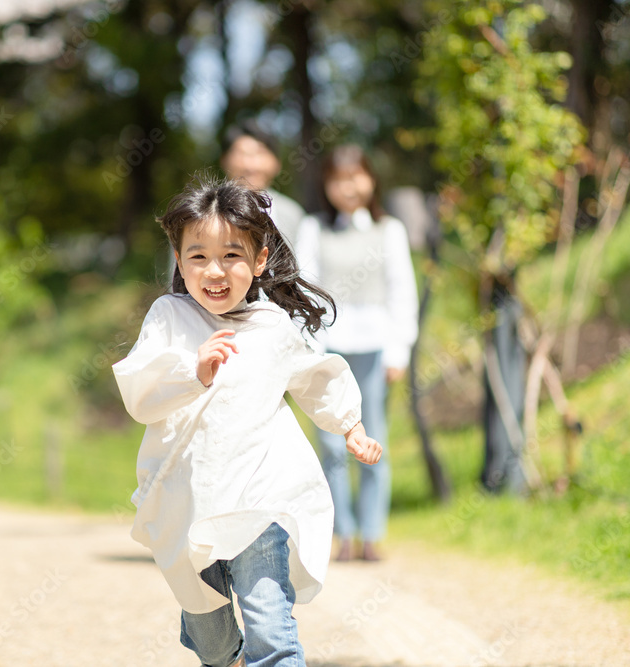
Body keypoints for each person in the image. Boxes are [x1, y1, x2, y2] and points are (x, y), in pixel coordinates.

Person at [113, 177, 382, 667]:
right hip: (187, 504)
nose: (215, 271)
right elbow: (140, 391)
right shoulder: (168, 317)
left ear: (259, 262)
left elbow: (314, 376)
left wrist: (351, 426)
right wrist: (192, 371)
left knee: (272, 633)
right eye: (198, 256)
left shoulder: (273, 326)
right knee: (213, 645)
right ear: (179, 259)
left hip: (261, 502)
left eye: (232, 255)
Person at [294, 145, 419, 562]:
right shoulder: (314, 228)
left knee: (372, 437)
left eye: (356, 176)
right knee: (331, 444)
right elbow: (305, 288)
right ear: (326, 186)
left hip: (374, 346)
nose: (348, 187)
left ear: (370, 179)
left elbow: (402, 289)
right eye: (338, 179)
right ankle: (341, 533)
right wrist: (310, 349)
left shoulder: (389, 230)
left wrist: (399, 349)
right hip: (329, 349)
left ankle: (372, 533)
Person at [220, 120, 307, 251]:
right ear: (224, 160)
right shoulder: (203, 209)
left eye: (259, 153)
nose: (250, 164)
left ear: (277, 163)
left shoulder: (293, 214)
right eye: (241, 153)